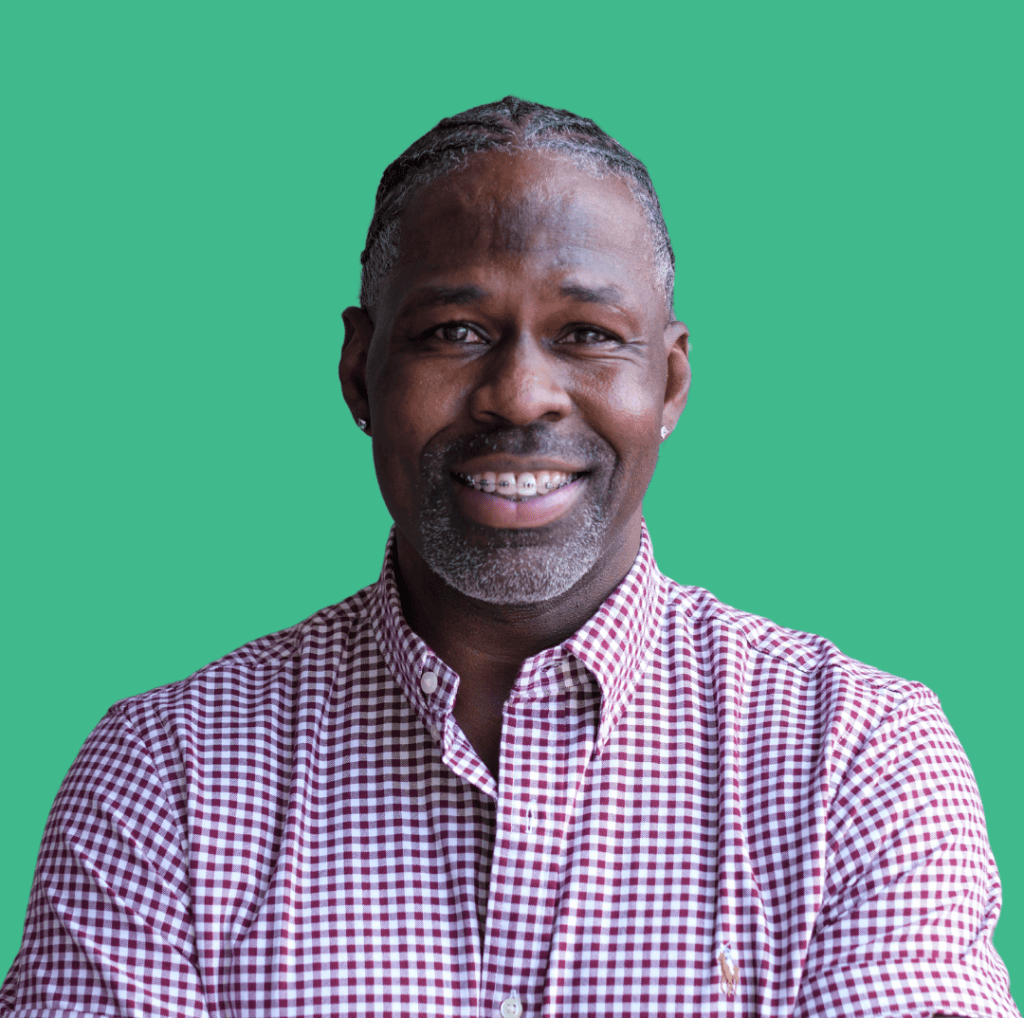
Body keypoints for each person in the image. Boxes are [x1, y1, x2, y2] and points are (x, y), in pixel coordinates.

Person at [0, 96, 1015, 1018]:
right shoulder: (168, 776)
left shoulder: (853, 757)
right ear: (360, 371)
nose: (521, 394)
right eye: (455, 330)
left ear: (667, 383)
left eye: (585, 333)